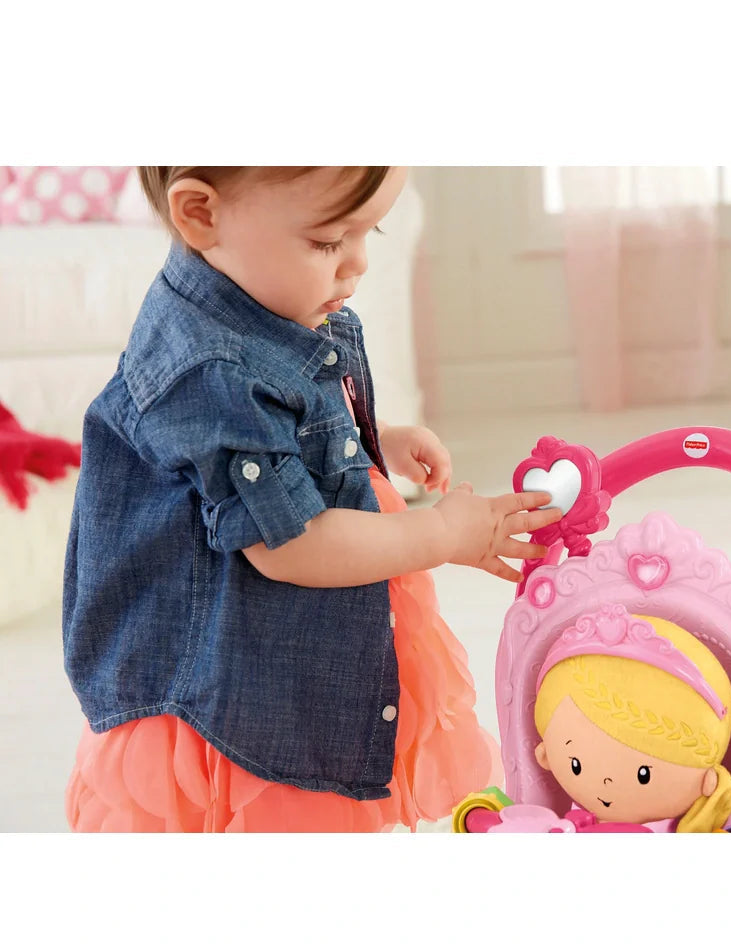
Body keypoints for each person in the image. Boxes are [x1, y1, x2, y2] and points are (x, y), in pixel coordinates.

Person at [63, 165, 561, 832]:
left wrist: (365, 438)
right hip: (242, 685)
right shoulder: (211, 372)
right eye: (328, 241)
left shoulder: (251, 295)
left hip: (281, 647)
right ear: (201, 215)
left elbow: (273, 429)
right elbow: (292, 544)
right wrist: (442, 535)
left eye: (369, 232)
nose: (357, 264)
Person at [453, 606, 731, 832]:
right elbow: (506, 816)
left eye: (643, 774)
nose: (606, 782)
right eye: (576, 765)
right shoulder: (558, 825)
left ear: (708, 781)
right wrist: (480, 812)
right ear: (545, 754)